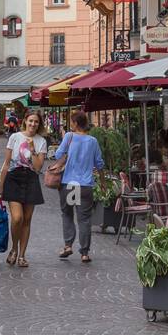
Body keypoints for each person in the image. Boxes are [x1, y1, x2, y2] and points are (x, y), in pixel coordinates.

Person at [0, 110, 47, 268]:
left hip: (31, 179)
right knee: (17, 218)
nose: (33, 124)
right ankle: (14, 248)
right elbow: (7, 162)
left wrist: (32, 150)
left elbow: (38, 168)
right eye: (31, 121)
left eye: (36, 122)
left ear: (39, 124)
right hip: (14, 178)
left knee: (27, 220)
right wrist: (0, 186)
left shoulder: (41, 141)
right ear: (25, 121)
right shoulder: (15, 137)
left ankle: (22, 255)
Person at [51, 111, 105, 263]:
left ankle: (68, 245)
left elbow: (58, 155)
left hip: (70, 183)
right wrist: (102, 182)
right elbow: (99, 163)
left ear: (75, 123)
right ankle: (85, 253)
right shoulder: (93, 141)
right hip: (85, 185)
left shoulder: (69, 136)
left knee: (67, 214)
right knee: (84, 219)